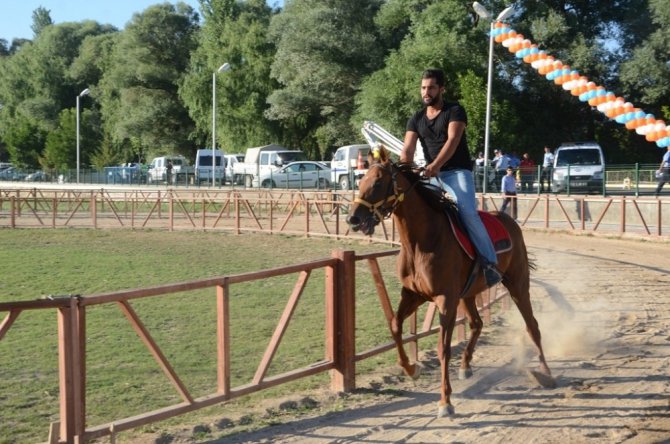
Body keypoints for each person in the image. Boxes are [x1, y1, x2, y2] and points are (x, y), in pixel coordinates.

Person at [400, 68, 501, 287]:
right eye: (423, 87)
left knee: (467, 212)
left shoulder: (455, 110)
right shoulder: (416, 118)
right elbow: (407, 150)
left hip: (456, 172)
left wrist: (435, 165)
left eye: (431, 87)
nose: (426, 92)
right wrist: (403, 170)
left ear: (441, 89)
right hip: (430, 174)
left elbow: (453, 141)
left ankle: (490, 263)